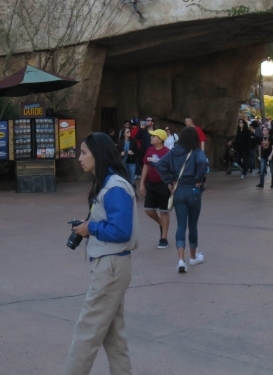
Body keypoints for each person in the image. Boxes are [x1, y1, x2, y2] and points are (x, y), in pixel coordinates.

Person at [63, 133, 138, 375]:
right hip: (112, 265)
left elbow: (122, 230)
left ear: (100, 154)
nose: (79, 158)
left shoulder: (115, 186)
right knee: (114, 336)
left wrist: (91, 227)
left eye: (84, 152)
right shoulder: (108, 184)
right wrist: (89, 225)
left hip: (110, 267)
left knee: (86, 332)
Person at [155, 126, 209, 273]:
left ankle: (181, 260)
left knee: (181, 225)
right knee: (193, 224)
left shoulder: (174, 152)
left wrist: (170, 181)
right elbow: (203, 163)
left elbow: (159, 164)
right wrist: (198, 179)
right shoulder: (197, 152)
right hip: (193, 189)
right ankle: (193, 256)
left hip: (178, 189)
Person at [138, 129, 171, 248]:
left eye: (154, 136)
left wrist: (171, 184)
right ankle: (162, 223)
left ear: (160, 139)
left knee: (164, 211)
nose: (151, 138)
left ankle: (164, 238)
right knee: (148, 209)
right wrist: (142, 183)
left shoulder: (167, 152)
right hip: (151, 184)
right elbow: (146, 167)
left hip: (164, 184)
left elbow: (171, 169)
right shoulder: (149, 150)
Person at [256, 121, 273, 188]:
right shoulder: (261, 138)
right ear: (262, 131)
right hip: (263, 156)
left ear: (268, 131)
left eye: (266, 130)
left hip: (270, 156)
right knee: (262, 170)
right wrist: (259, 155)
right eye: (264, 130)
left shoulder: (271, 138)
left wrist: (271, 155)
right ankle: (261, 183)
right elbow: (260, 147)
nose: (265, 131)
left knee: (272, 170)